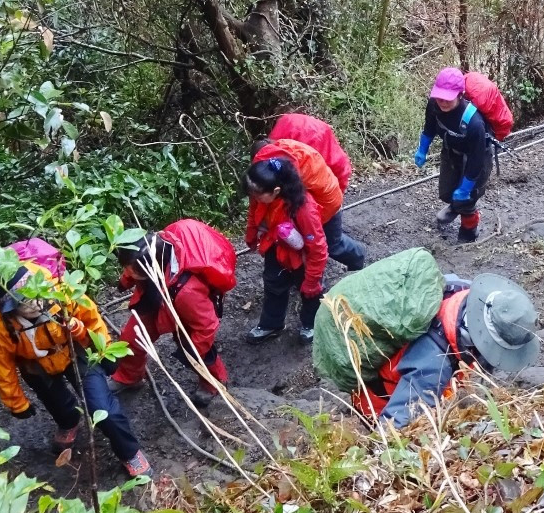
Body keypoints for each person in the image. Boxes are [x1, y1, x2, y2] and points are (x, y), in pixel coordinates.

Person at [0, 262, 150, 478]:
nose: (33, 304)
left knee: (103, 409)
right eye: (23, 302)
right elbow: (2, 364)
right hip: (36, 365)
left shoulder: (63, 294)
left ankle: (129, 452)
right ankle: (68, 422)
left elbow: (93, 320)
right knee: (56, 402)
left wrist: (104, 349)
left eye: (34, 295)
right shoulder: (0, 324)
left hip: (76, 350)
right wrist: (16, 403)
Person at [355, 272, 540, 429]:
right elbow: (393, 427)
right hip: (378, 401)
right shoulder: (433, 366)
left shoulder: (462, 292)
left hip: (414, 376)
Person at [109, 220, 236, 402]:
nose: (127, 272)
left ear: (147, 269)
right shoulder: (153, 250)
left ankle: (213, 382)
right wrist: (127, 280)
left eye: (129, 270)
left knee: (193, 347)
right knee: (132, 339)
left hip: (179, 303)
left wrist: (193, 354)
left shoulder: (189, 292)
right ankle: (129, 377)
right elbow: (135, 263)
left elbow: (206, 327)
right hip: (156, 296)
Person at [253, 128, 365, 271]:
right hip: (314, 196)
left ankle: (358, 255)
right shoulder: (279, 155)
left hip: (327, 205)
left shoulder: (293, 172)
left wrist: (312, 281)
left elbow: (315, 240)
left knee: (332, 244)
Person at [244, 156, 328, 342]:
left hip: (303, 256)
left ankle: (311, 324)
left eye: (256, 194)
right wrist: (251, 234)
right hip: (275, 247)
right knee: (273, 285)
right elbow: (254, 213)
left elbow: (318, 248)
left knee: (309, 292)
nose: (253, 197)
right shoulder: (260, 195)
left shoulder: (304, 209)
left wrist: (312, 280)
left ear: (276, 191)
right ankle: (271, 325)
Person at [414, 67, 491, 244]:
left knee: (468, 196)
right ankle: (455, 205)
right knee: (447, 191)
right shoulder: (434, 105)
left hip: (476, 155)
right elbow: (429, 127)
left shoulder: (474, 122)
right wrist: (422, 149)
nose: (442, 102)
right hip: (452, 150)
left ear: (459, 95)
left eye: (448, 98)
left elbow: (476, 161)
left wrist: (465, 188)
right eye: (440, 96)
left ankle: (468, 232)